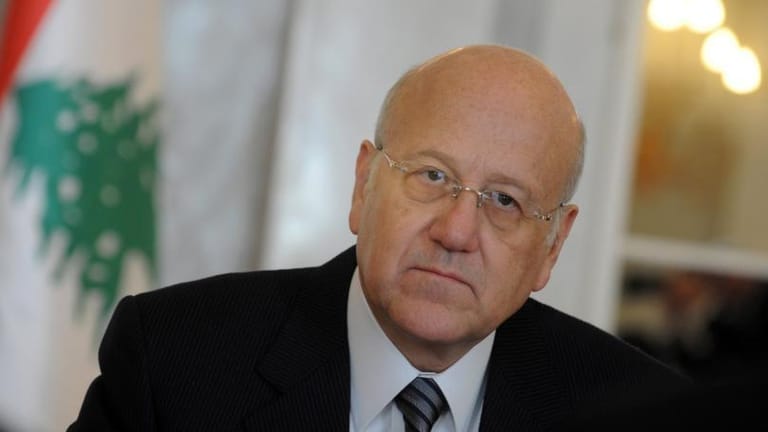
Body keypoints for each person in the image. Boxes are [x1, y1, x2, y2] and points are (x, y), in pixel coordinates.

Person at [69, 45, 687, 431]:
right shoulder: (174, 359)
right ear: (364, 184)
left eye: (505, 200)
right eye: (432, 176)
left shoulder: (645, 414)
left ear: (552, 245)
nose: (456, 232)